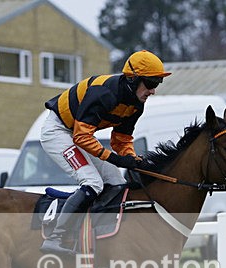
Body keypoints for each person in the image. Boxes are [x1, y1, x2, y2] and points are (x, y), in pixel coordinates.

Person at [39, 49, 171, 254]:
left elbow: (122, 139)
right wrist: (115, 159)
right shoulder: (104, 94)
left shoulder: (136, 105)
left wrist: (132, 158)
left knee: (117, 183)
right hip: (58, 132)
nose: (153, 91)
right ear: (133, 79)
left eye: (157, 84)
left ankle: (98, 238)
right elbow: (81, 137)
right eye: (151, 83)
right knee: (93, 182)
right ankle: (57, 236)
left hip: (78, 134)